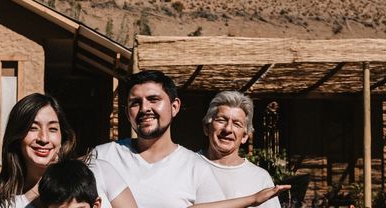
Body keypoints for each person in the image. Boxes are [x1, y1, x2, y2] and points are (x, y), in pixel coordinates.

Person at [95, 70, 288, 208]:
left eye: (154, 100)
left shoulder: (197, 168)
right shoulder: (102, 157)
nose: (145, 108)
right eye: (135, 103)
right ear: (127, 112)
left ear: (175, 107)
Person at [0, 93, 138, 208]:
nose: (43, 138)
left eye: (53, 129)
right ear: (16, 136)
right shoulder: (10, 204)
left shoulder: (99, 170)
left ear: (63, 136)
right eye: (33, 128)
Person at [199, 91, 280, 208]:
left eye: (237, 124)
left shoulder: (259, 178)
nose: (228, 129)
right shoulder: (187, 167)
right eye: (221, 120)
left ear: (245, 136)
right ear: (206, 128)